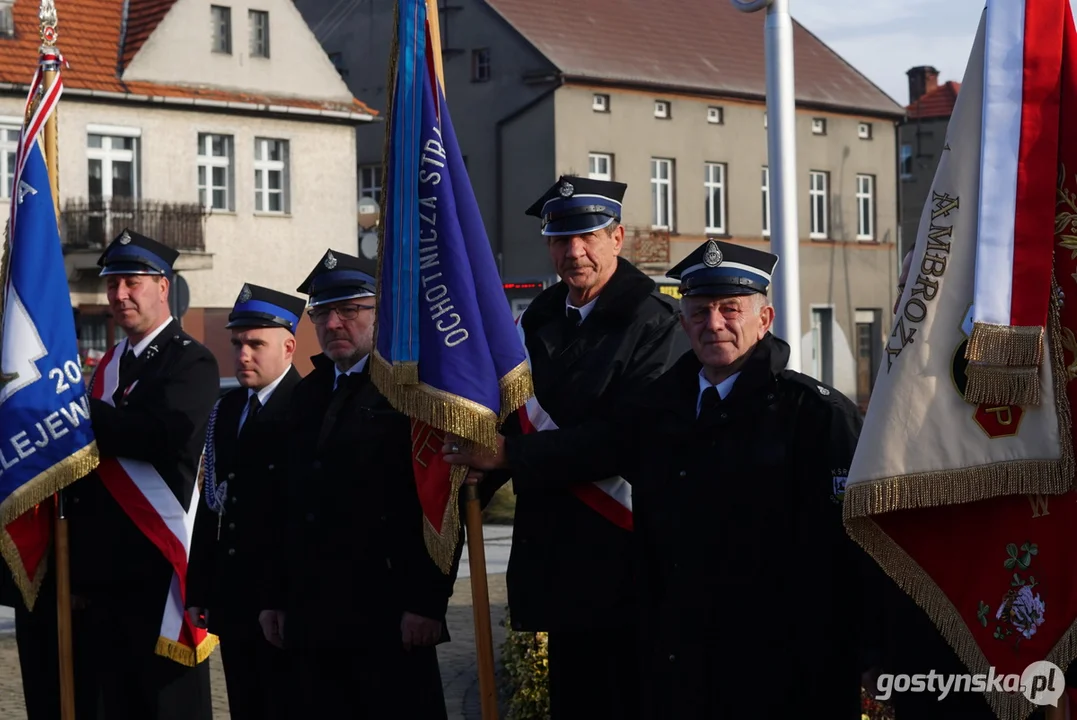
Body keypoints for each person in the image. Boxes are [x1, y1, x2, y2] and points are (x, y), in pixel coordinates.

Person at [450, 238, 879, 717]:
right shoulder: (657, 411)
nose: (714, 324)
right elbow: (592, 454)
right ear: (682, 321)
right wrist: (506, 456)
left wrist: (870, 652)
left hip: (781, 667)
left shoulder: (817, 416)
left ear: (765, 318)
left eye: (730, 309)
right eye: (699, 312)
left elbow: (854, 547)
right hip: (681, 668)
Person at [447, 175, 688, 719]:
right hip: (558, 560)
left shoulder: (655, 321)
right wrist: (473, 467)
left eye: (589, 236)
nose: (573, 251)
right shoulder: (541, 315)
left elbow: (627, 440)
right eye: (560, 239)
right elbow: (516, 412)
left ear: (618, 238)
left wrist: (508, 457)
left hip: (626, 556)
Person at [260, 249, 454, 718]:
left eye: (350, 310)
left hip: (386, 614)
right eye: (322, 313)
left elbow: (439, 501)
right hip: (314, 614)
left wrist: (427, 602)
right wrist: (275, 597)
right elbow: (285, 504)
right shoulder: (307, 393)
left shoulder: (412, 389)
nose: (334, 324)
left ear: (379, 312)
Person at [67, 229, 218, 719]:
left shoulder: (192, 360)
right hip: (105, 582)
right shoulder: (108, 364)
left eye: (131, 282)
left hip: (160, 573)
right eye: (112, 285)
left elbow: (159, 436)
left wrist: (77, 412)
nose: (119, 295)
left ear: (163, 286)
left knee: (168, 707)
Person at [185, 283, 306, 720]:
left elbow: (297, 517)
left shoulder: (305, 406)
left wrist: (283, 598)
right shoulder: (229, 407)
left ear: (289, 346)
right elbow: (213, 506)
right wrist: (198, 586)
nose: (243, 355)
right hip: (233, 595)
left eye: (256, 343)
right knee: (244, 703)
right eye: (238, 343)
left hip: (283, 598)